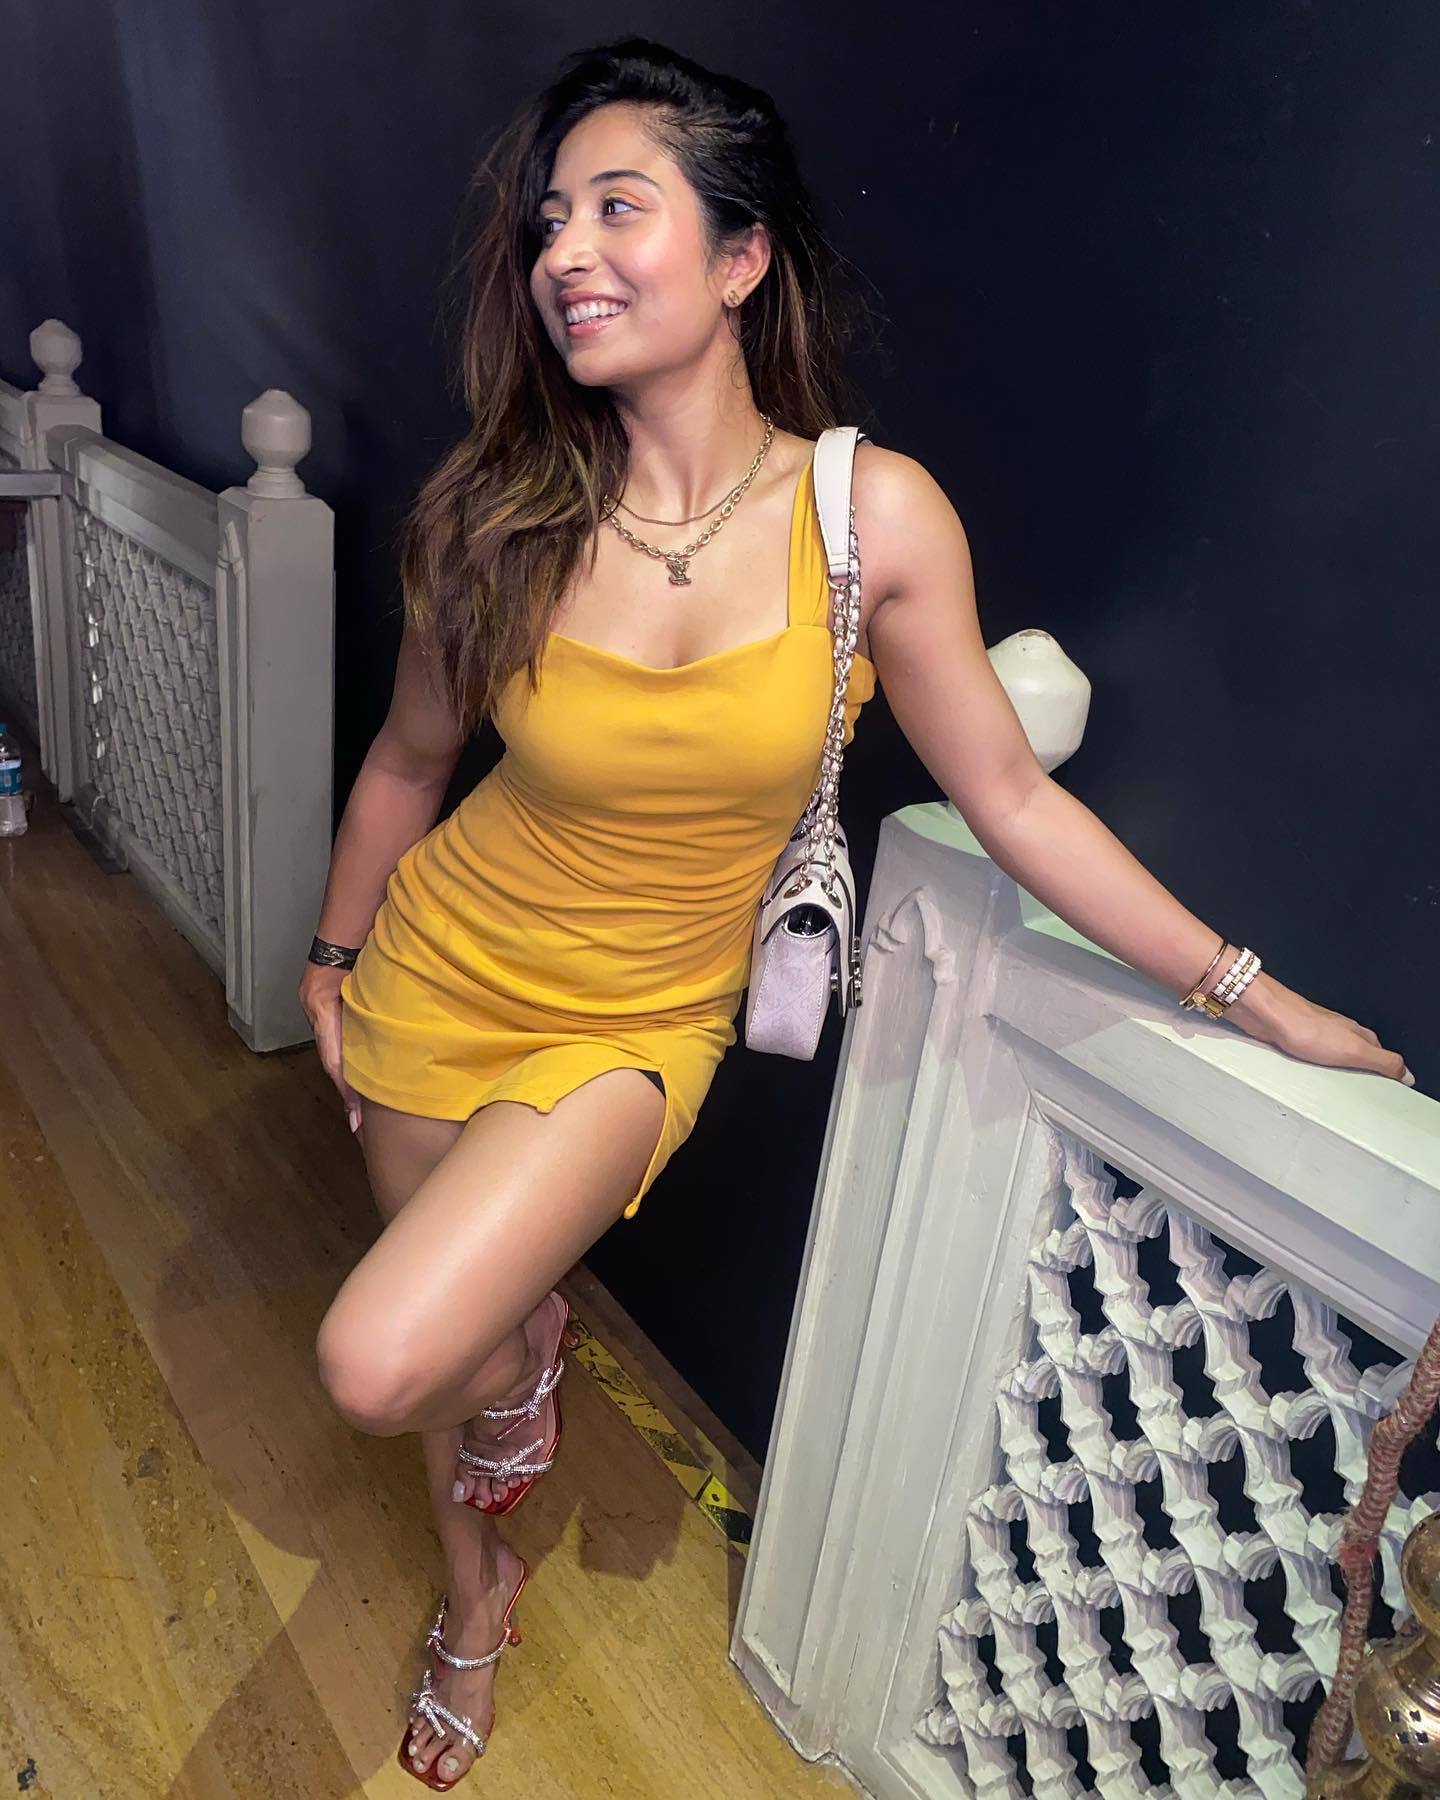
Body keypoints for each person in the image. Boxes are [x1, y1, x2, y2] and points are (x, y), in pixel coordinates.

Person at [299, 36, 1412, 1792]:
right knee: (452, 1362)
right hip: (436, 973)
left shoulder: (867, 517)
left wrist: (1252, 993)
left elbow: (1015, 799)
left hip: (636, 1026)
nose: (566, 251)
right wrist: (336, 955)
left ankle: (520, 1363)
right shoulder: (495, 511)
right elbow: (404, 763)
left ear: (741, 256)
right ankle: (473, 1588)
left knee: (382, 1355)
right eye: (548, 221)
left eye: (617, 207)